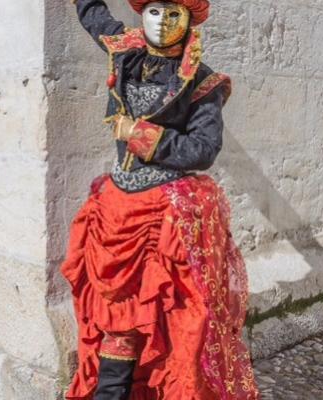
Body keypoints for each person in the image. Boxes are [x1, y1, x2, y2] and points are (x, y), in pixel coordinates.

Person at [61, 0, 261, 399]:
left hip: (166, 220)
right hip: (116, 212)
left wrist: (140, 133)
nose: (162, 23)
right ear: (142, 14)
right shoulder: (126, 51)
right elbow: (92, 14)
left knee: (172, 321)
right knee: (116, 316)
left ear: (189, 21)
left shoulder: (202, 82)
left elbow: (203, 149)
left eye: (174, 15)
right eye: (154, 12)